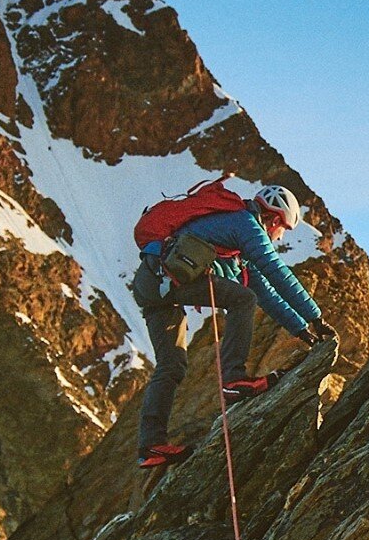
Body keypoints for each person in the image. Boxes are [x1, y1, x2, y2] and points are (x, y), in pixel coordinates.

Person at [131, 183, 334, 468]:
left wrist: (303, 331)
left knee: (171, 365)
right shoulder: (246, 224)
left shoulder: (239, 245)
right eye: (284, 229)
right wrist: (316, 317)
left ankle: (150, 446)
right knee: (242, 299)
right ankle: (234, 379)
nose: (280, 235)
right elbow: (277, 273)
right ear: (275, 219)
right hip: (168, 280)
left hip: (151, 284)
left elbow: (268, 294)